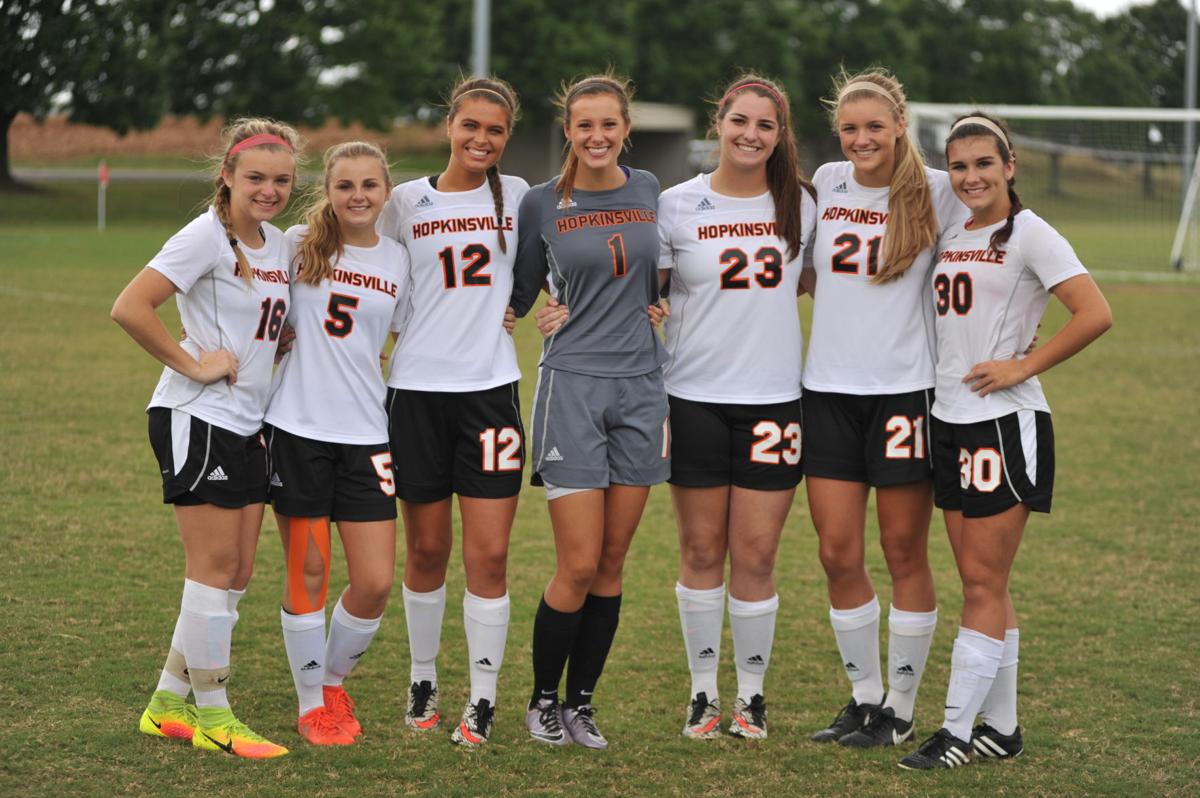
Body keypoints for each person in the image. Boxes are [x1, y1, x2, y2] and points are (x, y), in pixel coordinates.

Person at [537, 74, 816, 741]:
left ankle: (750, 697)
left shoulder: (803, 204)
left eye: (766, 126)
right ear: (718, 121)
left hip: (775, 401)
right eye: (740, 120)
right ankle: (701, 694)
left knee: (755, 553)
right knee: (698, 547)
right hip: (687, 395)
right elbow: (632, 280)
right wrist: (559, 308)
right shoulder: (674, 203)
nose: (751, 134)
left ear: (781, 137)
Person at [899, 113, 1111, 769]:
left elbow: (1095, 312)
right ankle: (1004, 728)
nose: (970, 177)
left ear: (1009, 164)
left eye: (983, 164)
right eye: (959, 166)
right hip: (950, 418)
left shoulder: (1031, 233)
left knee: (984, 583)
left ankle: (957, 732)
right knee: (980, 580)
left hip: (1004, 422)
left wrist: (1023, 365)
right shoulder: (954, 228)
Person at [112, 118, 302, 759]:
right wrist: (193, 364)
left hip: (248, 424)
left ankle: (168, 703)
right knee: (212, 570)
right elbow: (131, 306)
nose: (269, 190)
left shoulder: (275, 243)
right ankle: (216, 718)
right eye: (255, 178)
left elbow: (267, 323)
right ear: (227, 176)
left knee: (236, 573)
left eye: (281, 179)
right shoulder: (205, 237)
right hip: (197, 417)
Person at [804, 69, 968, 748]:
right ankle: (864, 698)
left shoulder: (936, 192)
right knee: (838, 551)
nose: (862, 138)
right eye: (851, 128)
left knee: (904, 550)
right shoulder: (826, 179)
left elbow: (984, 257)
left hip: (904, 393)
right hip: (827, 393)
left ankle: (900, 707)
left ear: (900, 124)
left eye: (875, 126)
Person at [509, 73, 669, 750]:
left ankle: (582, 704)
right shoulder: (542, 203)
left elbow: (661, 272)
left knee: (612, 560)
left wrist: (662, 299)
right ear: (567, 130)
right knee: (576, 563)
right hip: (572, 385)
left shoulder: (651, 191)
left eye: (609, 125)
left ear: (624, 128)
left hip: (642, 387)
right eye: (585, 126)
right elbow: (516, 293)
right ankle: (542, 701)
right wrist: (540, 310)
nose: (598, 137)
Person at [377, 76, 528, 747]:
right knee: (428, 548)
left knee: (490, 555)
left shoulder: (521, 198)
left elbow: (572, 258)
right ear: (449, 125)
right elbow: (359, 264)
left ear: (507, 136)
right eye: (471, 126)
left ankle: (485, 696)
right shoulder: (406, 201)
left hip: (491, 394)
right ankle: (423, 677)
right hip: (415, 395)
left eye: (495, 130)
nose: (482, 140)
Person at [263, 141, 410, 746]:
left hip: (367, 434)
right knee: (311, 569)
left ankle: (332, 678)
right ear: (328, 190)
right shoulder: (297, 244)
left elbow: (404, 337)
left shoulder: (401, 260)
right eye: (345, 186)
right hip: (297, 428)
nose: (358, 197)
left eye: (369, 186)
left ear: (385, 192)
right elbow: (259, 305)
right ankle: (310, 705)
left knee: (375, 580)